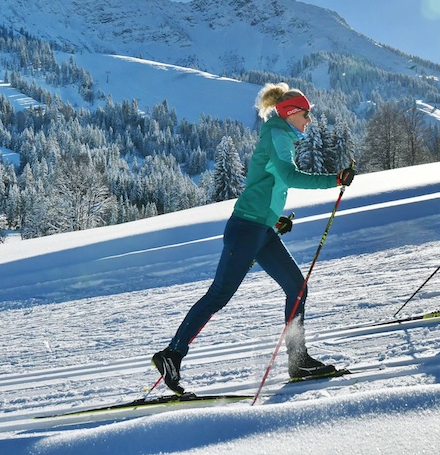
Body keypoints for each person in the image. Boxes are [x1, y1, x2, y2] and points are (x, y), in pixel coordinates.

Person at [152, 82, 356, 394]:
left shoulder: (280, 135)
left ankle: (298, 359)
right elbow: (288, 176)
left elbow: (267, 183)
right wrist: (335, 179)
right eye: (307, 114)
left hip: (261, 229)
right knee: (219, 294)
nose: (310, 121)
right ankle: (172, 355)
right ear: (290, 112)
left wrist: (275, 220)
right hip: (247, 227)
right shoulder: (278, 136)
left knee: (296, 287)